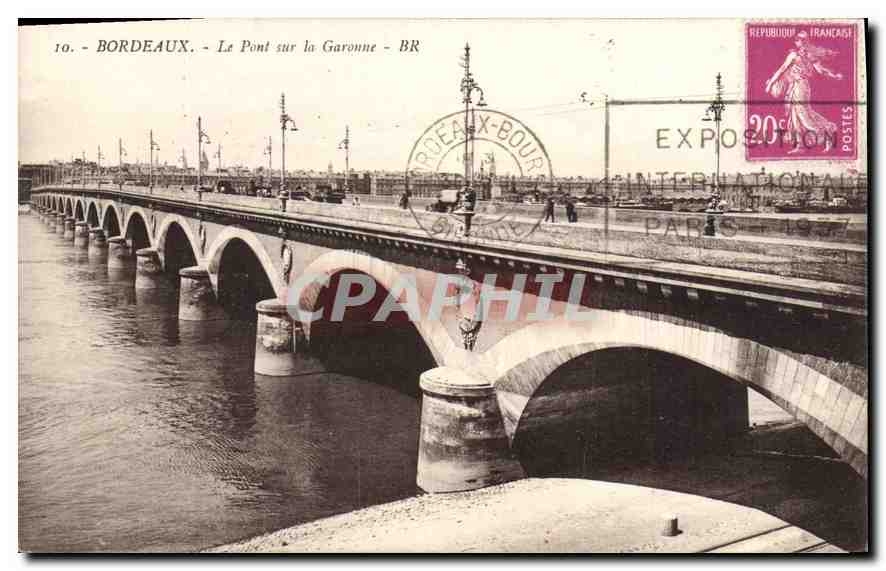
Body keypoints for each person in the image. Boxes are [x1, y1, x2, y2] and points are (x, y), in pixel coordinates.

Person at [765, 30, 843, 154]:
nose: (797, 41)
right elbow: (781, 70)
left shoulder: (809, 55)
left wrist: (834, 76)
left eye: (800, 39)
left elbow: (821, 70)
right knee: (795, 116)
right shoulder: (793, 55)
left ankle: (827, 134)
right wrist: (771, 83)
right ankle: (800, 145)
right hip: (794, 86)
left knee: (803, 115)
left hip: (802, 86)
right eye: (796, 39)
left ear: (805, 42)